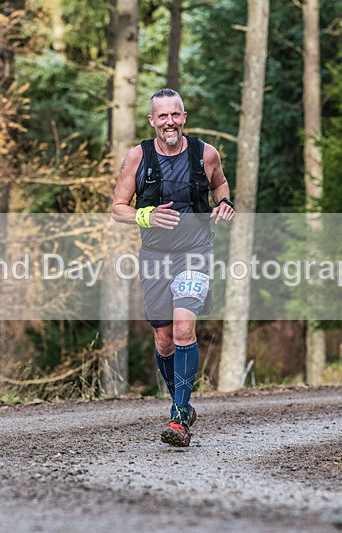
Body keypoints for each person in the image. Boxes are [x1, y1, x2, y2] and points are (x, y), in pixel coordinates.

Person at [111, 88, 235, 446]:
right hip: (154, 257)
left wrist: (224, 202)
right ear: (152, 120)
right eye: (162, 116)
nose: (170, 122)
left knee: (183, 330)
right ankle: (181, 402)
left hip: (195, 252)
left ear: (184, 117)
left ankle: (179, 420)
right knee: (164, 341)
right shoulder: (137, 157)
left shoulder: (204, 153)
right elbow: (118, 207)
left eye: (175, 115)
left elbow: (220, 183)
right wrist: (144, 215)